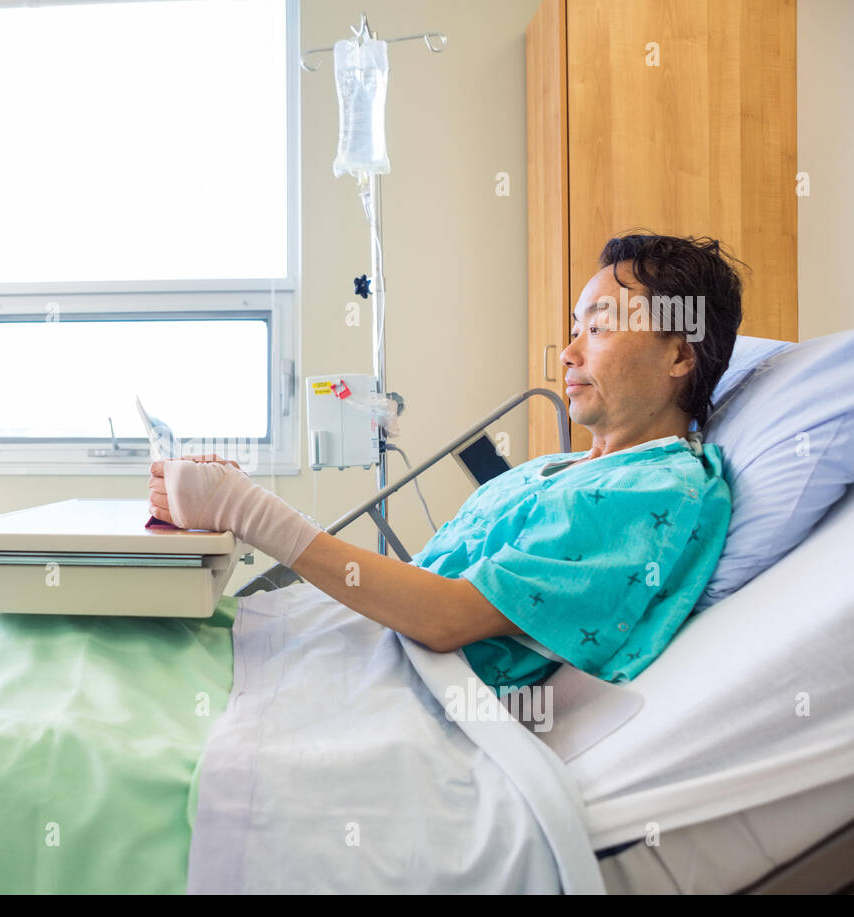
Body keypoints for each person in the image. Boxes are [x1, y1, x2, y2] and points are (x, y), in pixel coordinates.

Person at [148, 233, 743, 690]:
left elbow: (445, 617)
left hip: (404, 696)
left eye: (601, 328)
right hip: (350, 648)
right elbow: (430, 584)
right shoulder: (554, 471)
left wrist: (247, 511)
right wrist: (226, 497)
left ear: (678, 356)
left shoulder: (659, 490)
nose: (567, 352)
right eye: (574, 329)